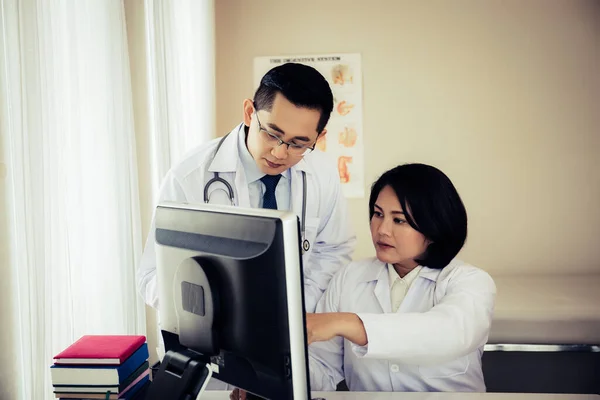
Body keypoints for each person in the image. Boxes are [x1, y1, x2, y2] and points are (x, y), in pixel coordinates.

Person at [136, 62, 356, 315]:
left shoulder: (322, 173)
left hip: (294, 328)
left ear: (319, 136)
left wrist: (294, 310)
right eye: (272, 134)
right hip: (210, 334)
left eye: (298, 144)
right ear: (249, 112)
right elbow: (151, 275)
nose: (279, 152)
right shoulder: (189, 176)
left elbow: (333, 250)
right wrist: (211, 311)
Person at [306, 163, 496, 392]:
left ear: (434, 226)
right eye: (378, 214)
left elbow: (449, 332)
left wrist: (347, 323)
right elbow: (323, 368)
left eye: (399, 220)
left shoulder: (470, 281)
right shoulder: (349, 277)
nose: (382, 230)